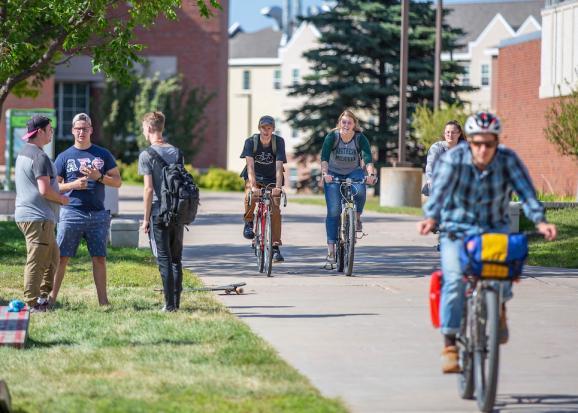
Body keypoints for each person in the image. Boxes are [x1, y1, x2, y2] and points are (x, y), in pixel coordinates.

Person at [417, 111, 557, 373]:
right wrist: (431, 217)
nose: (482, 149)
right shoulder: (455, 159)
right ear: (468, 141)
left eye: (489, 143)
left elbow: (526, 192)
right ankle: (450, 344)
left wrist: (540, 220)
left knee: (503, 275)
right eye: (477, 143)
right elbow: (440, 189)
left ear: (496, 141)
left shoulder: (507, 160)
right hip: (456, 230)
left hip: (494, 229)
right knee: (455, 280)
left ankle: (498, 307)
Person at [51, 113, 122, 306]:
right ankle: (51, 299)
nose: (81, 132)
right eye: (78, 129)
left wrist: (98, 177)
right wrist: (73, 184)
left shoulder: (103, 154)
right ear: (72, 131)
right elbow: (54, 188)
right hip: (71, 213)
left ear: (91, 130)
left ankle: (103, 302)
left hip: (97, 215)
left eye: (85, 128)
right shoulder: (64, 157)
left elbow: (117, 182)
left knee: (99, 258)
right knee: (62, 258)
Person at [14, 115, 69, 312]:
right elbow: (45, 190)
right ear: (40, 132)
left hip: (37, 217)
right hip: (38, 218)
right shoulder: (39, 156)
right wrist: (62, 199)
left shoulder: (24, 153)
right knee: (37, 261)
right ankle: (32, 303)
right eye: (49, 129)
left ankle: (43, 298)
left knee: (53, 257)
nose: (51, 133)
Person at [138, 111, 185, 312]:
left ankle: (169, 305)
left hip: (159, 210)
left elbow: (148, 189)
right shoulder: (177, 152)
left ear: (149, 129)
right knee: (176, 258)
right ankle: (176, 302)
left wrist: (145, 219)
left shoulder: (146, 155)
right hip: (177, 209)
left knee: (163, 258)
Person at [320, 110, 377, 268]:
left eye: (349, 123)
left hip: (354, 171)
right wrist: (325, 173)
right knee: (334, 211)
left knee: (360, 190)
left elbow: (367, 158)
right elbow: (324, 157)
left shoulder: (360, 138)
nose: (346, 125)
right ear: (339, 123)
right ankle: (331, 251)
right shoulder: (332, 137)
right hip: (333, 173)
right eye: (343, 122)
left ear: (354, 125)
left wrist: (371, 174)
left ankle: (356, 218)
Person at [240, 115, 287, 263]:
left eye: (269, 128)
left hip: (273, 179)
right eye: (263, 128)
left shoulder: (278, 142)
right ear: (259, 128)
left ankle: (275, 247)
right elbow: (250, 167)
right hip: (256, 177)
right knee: (251, 195)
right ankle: (248, 222)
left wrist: (278, 187)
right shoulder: (250, 142)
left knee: (275, 209)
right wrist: (253, 186)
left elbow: (279, 167)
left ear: (273, 129)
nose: (266, 131)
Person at [422, 120, 466, 196]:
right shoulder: (436, 148)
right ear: (444, 133)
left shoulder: (465, 148)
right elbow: (430, 165)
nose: (450, 135)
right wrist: (430, 179)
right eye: (448, 132)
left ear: (459, 134)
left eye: (453, 132)